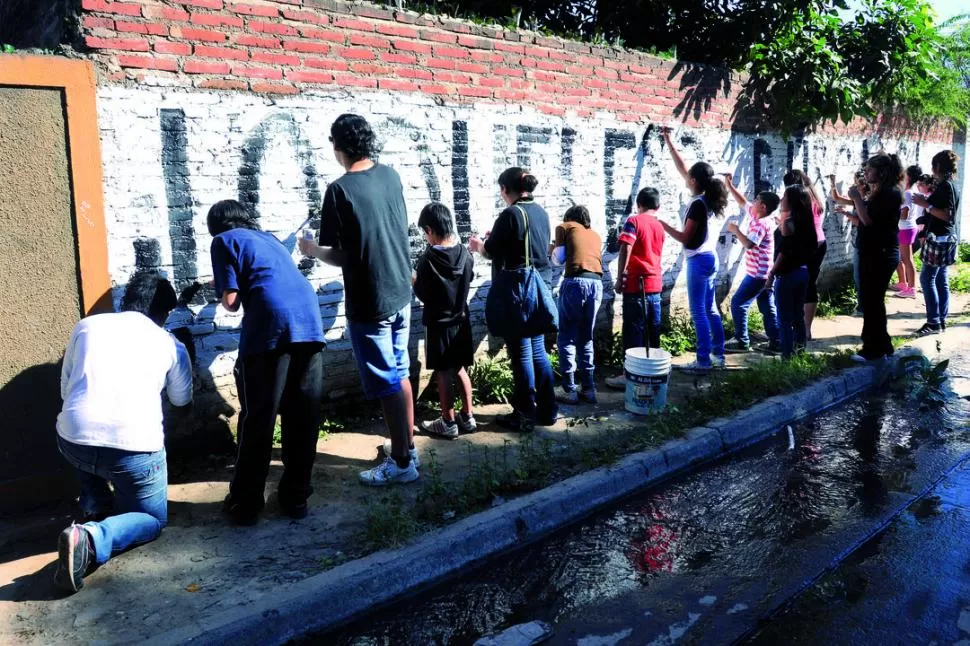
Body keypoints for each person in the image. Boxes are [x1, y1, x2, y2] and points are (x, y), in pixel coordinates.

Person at [53, 273, 193, 593]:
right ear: (165, 313)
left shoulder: (87, 326)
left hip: (73, 441)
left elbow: (65, 390)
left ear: (126, 301)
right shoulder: (169, 343)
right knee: (152, 519)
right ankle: (89, 539)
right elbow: (181, 402)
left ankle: (96, 503)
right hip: (133, 455)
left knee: (81, 431)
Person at [300, 114, 417, 486]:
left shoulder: (339, 190)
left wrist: (312, 250)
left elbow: (343, 255)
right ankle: (406, 448)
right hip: (401, 290)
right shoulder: (391, 175)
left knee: (387, 382)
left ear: (339, 146)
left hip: (371, 299)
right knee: (400, 373)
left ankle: (401, 464)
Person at [209, 200, 326, 522]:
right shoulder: (270, 239)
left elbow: (231, 302)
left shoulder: (222, 241)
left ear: (216, 225)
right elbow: (268, 277)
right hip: (309, 322)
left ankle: (245, 504)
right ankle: (296, 498)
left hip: (271, 328)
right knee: (302, 416)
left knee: (259, 418)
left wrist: (220, 289)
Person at [469, 167, 557, 432]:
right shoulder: (540, 212)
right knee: (538, 351)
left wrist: (478, 245)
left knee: (520, 354)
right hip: (540, 288)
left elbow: (492, 251)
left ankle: (523, 414)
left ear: (505, 190)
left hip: (519, 293)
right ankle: (548, 409)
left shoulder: (510, 214)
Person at [660, 128, 727, 372]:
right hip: (709, 258)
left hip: (698, 260)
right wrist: (669, 140)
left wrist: (662, 224)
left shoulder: (698, 205)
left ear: (694, 181)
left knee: (699, 311)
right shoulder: (705, 198)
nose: (685, 176)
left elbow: (685, 238)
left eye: (689, 176)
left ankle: (702, 361)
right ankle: (718, 354)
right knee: (710, 309)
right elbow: (683, 168)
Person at [412, 202, 477, 438]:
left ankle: (448, 421)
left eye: (424, 233)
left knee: (443, 371)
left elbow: (424, 294)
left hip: (439, 323)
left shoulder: (429, 259)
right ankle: (468, 417)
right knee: (459, 367)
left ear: (430, 230)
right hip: (461, 319)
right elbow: (468, 278)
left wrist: (413, 281)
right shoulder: (465, 253)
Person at [606, 187, 667, 390]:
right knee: (652, 332)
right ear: (657, 206)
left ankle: (629, 375)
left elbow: (626, 247)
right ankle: (652, 373)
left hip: (637, 284)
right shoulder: (659, 226)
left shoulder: (634, 221)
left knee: (633, 332)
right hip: (655, 285)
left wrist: (621, 276)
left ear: (638, 204)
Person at [848, 153, 904, 361]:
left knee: (872, 301)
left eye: (870, 169)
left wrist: (856, 198)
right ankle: (883, 344)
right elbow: (866, 221)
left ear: (881, 172)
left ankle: (872, 349)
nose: (866, 173)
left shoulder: (888, 194)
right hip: (875, 251)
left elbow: (869, 221)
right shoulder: (882, 192)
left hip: (880, 253)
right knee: (873, 300)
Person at [550, 205, 603, 404]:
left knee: (566, 337)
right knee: (586, 338)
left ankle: (569, 389)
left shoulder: (566, 226)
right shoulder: (595, 235)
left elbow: (558, 259)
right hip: (596, 284)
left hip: (575, 283)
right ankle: (589, 389)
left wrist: (551, 249)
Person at [723, 175, 781, 354]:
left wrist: (735, 230)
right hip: (765, 273)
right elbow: (743, 203)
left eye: (756, 200)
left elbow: (750, 244)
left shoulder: (760, 224)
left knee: (739, 303)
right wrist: (730, 185)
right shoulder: (764, 217)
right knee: (767, 307)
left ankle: (742, 341)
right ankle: (776, 340)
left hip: (757, 275)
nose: (752, 202)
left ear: (763, 206)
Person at [766, 185, 818, 359]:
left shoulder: (788, 224)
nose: (781, 200)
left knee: (784, 320)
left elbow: (784, 252)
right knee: (798, 317)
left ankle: (787, 358)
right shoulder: (806, 221)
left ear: (793, 201)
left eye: (784, 197)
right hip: (802, 272)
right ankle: (800, 354)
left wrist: (771, 274)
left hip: (787, 275)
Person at [913, 150, 961, 337]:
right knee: (941, 279)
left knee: (927, 278)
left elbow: (947, 215)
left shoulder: (945, 187)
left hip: (940, 239)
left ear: (937, 167)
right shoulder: (949, 185)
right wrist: (927, 203)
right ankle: (940, 320)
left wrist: (926, 205)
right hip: (945, 238)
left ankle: (933, 321)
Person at [784, 169, 827, 341]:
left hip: (807, 244)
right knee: (810, 284)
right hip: (819, 242)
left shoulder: (799, 197)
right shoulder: (814, 194)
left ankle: (801, 329)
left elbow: (792, 223)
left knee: (801, 285)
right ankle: (806, 328)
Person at [830, 170, 867, 317]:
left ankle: (862, 308)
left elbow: (861, 222)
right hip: (859, 241)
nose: (855, 186)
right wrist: (833, 183)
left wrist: (848, 215)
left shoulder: (865, 201)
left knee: (860, 276)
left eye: (857, 183)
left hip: (864, 243)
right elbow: (837, 198)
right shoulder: (859, 200)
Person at [893, 164, 923, 298]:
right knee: (903, 258)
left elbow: (904, 214)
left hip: (905, 229)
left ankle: (911, 288)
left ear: (908, 176)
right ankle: (904, 284)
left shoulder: (907, 193)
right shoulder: (909, 191)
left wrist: (890, 215)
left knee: (907, 259)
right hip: (906, 228)